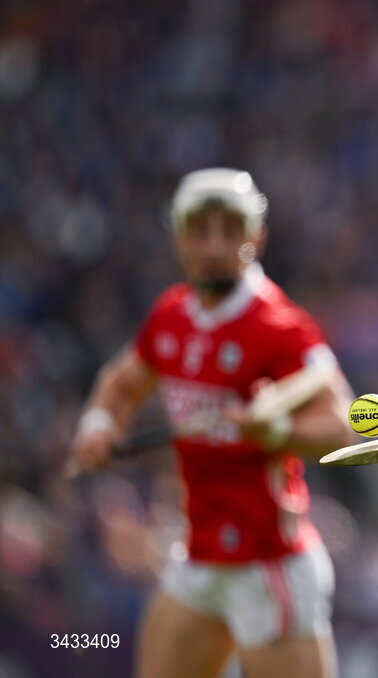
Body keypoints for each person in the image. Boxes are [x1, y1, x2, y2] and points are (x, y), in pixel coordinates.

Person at [70, 168, 358, 678]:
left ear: (256, 237)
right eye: (200, 231)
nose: (215, 246)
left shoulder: (283, 329)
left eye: (230, 232)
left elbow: (343, 428)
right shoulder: (171, 315)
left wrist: (279, 433)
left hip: (268, 564)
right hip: (199, 556)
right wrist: (97, 425)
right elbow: (122, 383)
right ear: (179, 236)